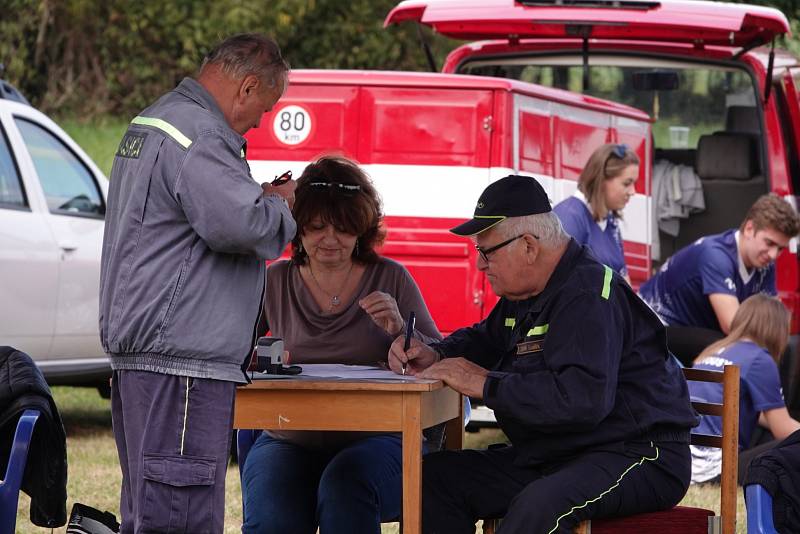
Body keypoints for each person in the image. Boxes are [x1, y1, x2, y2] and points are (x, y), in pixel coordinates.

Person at [388, 175, 698, 533]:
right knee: (435, 480)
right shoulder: (528, 294)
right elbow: (482, 340)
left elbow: (580, 400)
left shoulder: (587, 295)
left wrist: (485, 383)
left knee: (538, 508)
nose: (480, 265)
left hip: (637, 453)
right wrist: (434, 353)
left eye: (485, 252)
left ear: (529, 247)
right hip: (563, 452)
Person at [98, 34, 297, 534]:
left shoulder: (156, 121)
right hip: (182, 366)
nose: (259, 122)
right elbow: (241, 225)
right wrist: (282, 204)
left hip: (148, 361)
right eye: (264, 108)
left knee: (149, 510)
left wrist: (253, 197)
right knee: (178, 518)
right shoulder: (200, 136)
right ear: (247, 87)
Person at [240, 155, 442, 534]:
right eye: (316, 227)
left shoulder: (391, 278)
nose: (329, 240)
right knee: (271, 514)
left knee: (346, 487)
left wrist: (402, 332)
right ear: (297, 228)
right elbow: (232, 350)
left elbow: (437, 356)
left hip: (378, 437)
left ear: (361, 228)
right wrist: (256, 359)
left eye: (343, 228)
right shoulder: (276, 280)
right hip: (290, 436)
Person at [639, 193, 800, 366]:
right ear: (749, 229)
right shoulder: (715, 254)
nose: (773, 254)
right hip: (652, 328)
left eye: (780, 248)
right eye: (769, 243)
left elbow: (775, 323)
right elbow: (733, 326)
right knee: (732, 348)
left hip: (697, 329)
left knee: (785, 350)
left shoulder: (765, 262)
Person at [689, 294, 800, 485]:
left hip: (685, 461)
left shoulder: (712, 351)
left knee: (765, 430)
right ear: (777, 329)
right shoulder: (759, 359)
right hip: (713, 470)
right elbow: (783, 430)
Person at [553, 143, 639, 279]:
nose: (633, 192)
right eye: (627, 183)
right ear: (602, 180)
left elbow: (623, 280)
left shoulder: (609, 220)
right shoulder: (570, 219)